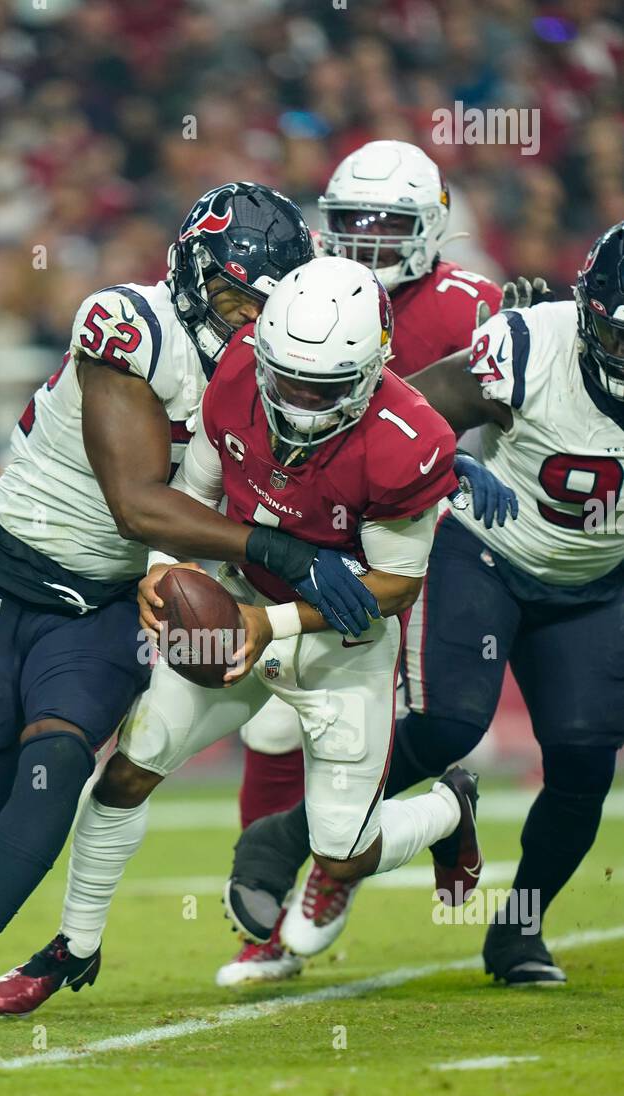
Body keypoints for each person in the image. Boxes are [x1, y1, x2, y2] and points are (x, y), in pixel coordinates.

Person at [0, 182, 366, 1032]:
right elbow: (135, 501)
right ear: (194, 271)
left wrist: (436, 458)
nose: (250, 318)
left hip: (104, 602)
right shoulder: (128, 324)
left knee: (57, 767)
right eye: (239, 295)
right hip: (2, 573)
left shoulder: (276, 359)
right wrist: (283, 553)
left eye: (266, 304)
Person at [0, 255, 511, 1018]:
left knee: (343, 851)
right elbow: (189, 495)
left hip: (339, 645)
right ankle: (73, 946)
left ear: (371, 370)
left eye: (317, 387)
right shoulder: (236, 372)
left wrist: (273, 622)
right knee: (128, 772)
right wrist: (163, 574)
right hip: (234, 601)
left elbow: (395, 586)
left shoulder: (409, 440)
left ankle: (448, 812)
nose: (294, 398)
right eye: (284, 375)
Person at [223, 221, 624, 987]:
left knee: (581, 760)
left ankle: (518, 932)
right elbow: (405, 410)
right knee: (447, 723)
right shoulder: (532, 347)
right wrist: (449, 467)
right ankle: (299, 838)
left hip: (597, 582)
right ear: (590, 312)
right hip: (487, 555)